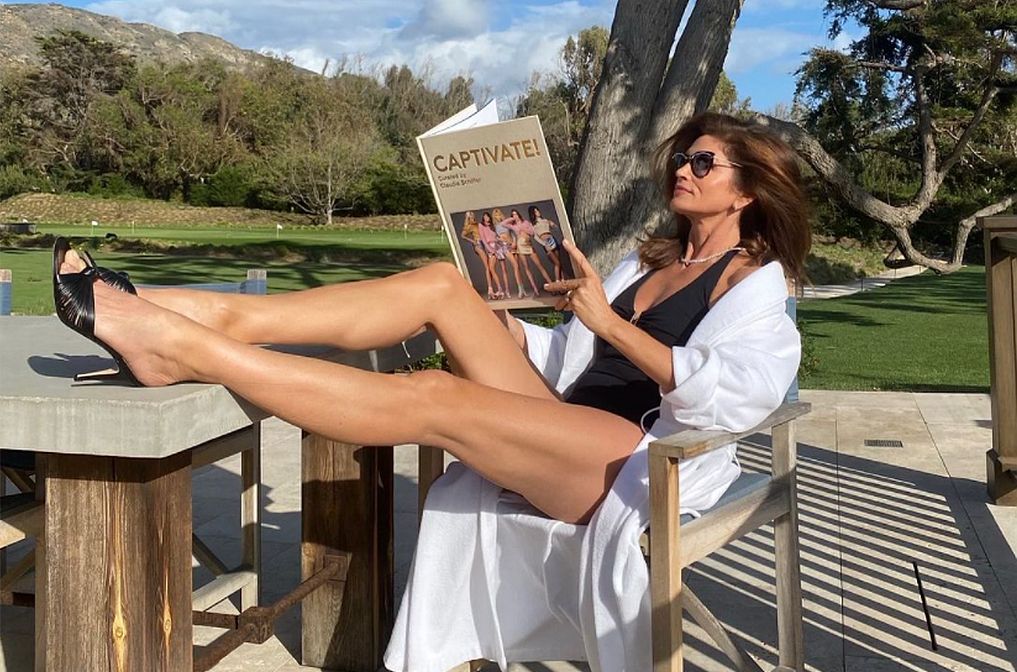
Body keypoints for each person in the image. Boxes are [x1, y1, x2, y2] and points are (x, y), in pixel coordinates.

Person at [52, 112, 810, 671]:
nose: (682, 168)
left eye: (702, 161)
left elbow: (737, 395)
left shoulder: (756, 287)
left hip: (634, 463)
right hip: (565, 423)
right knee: (445, 285)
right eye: (679, 156)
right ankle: (211, 314)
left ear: (748, 190)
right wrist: (505, 329)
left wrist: (605, 322)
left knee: (434, 395)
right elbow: (574, 358)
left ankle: (187, 348)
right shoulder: (648, 264)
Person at [502, 208, 550, 297]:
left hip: (528, 244)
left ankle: (550, 284)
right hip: (520, 246)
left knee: (540, 265)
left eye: (516, 214)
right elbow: (503, 223)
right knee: (526, 268)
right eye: (513, 215)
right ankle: (535, 289)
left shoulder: (526, 222)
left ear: (519, 214)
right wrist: (512, 219)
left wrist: (524, 229)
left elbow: (532, 233)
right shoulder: (513, 225)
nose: (515, 216)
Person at [459, 210, 497, 300]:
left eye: (473, 215)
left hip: (485, 244)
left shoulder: (478, 224)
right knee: (487, 267)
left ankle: (491, 290)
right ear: (468, 218)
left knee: (490, 267)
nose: (472, 217)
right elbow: (462, 236)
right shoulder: (469, 226)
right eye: (470, 216)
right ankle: (490, 290)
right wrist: (473, 241)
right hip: (479, 245)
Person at [529, 205, 563, 281]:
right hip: (545, 242)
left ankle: (562, 280)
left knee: (559, 262)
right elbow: (535, 237)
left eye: (537, 210)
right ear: (532, 214)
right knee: (556, 263)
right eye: (535, 211)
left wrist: (553, 225)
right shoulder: (533, 224)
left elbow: (556, 228)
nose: (538, 212)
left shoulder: (545, 220)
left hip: (552, 239)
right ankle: (557, 281)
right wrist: (543, 244)